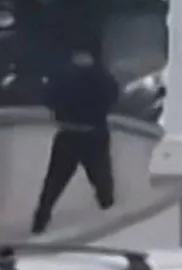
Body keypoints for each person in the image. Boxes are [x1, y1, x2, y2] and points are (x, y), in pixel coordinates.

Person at [32, 50, 120, 234]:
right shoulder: (101, 77)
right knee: (100, 179)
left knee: (56, 181)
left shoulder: (63, 76)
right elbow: (113, 97)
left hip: (71, 132)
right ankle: (111, 217)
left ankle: (40, 220)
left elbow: (47, 97)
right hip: (91, 133)